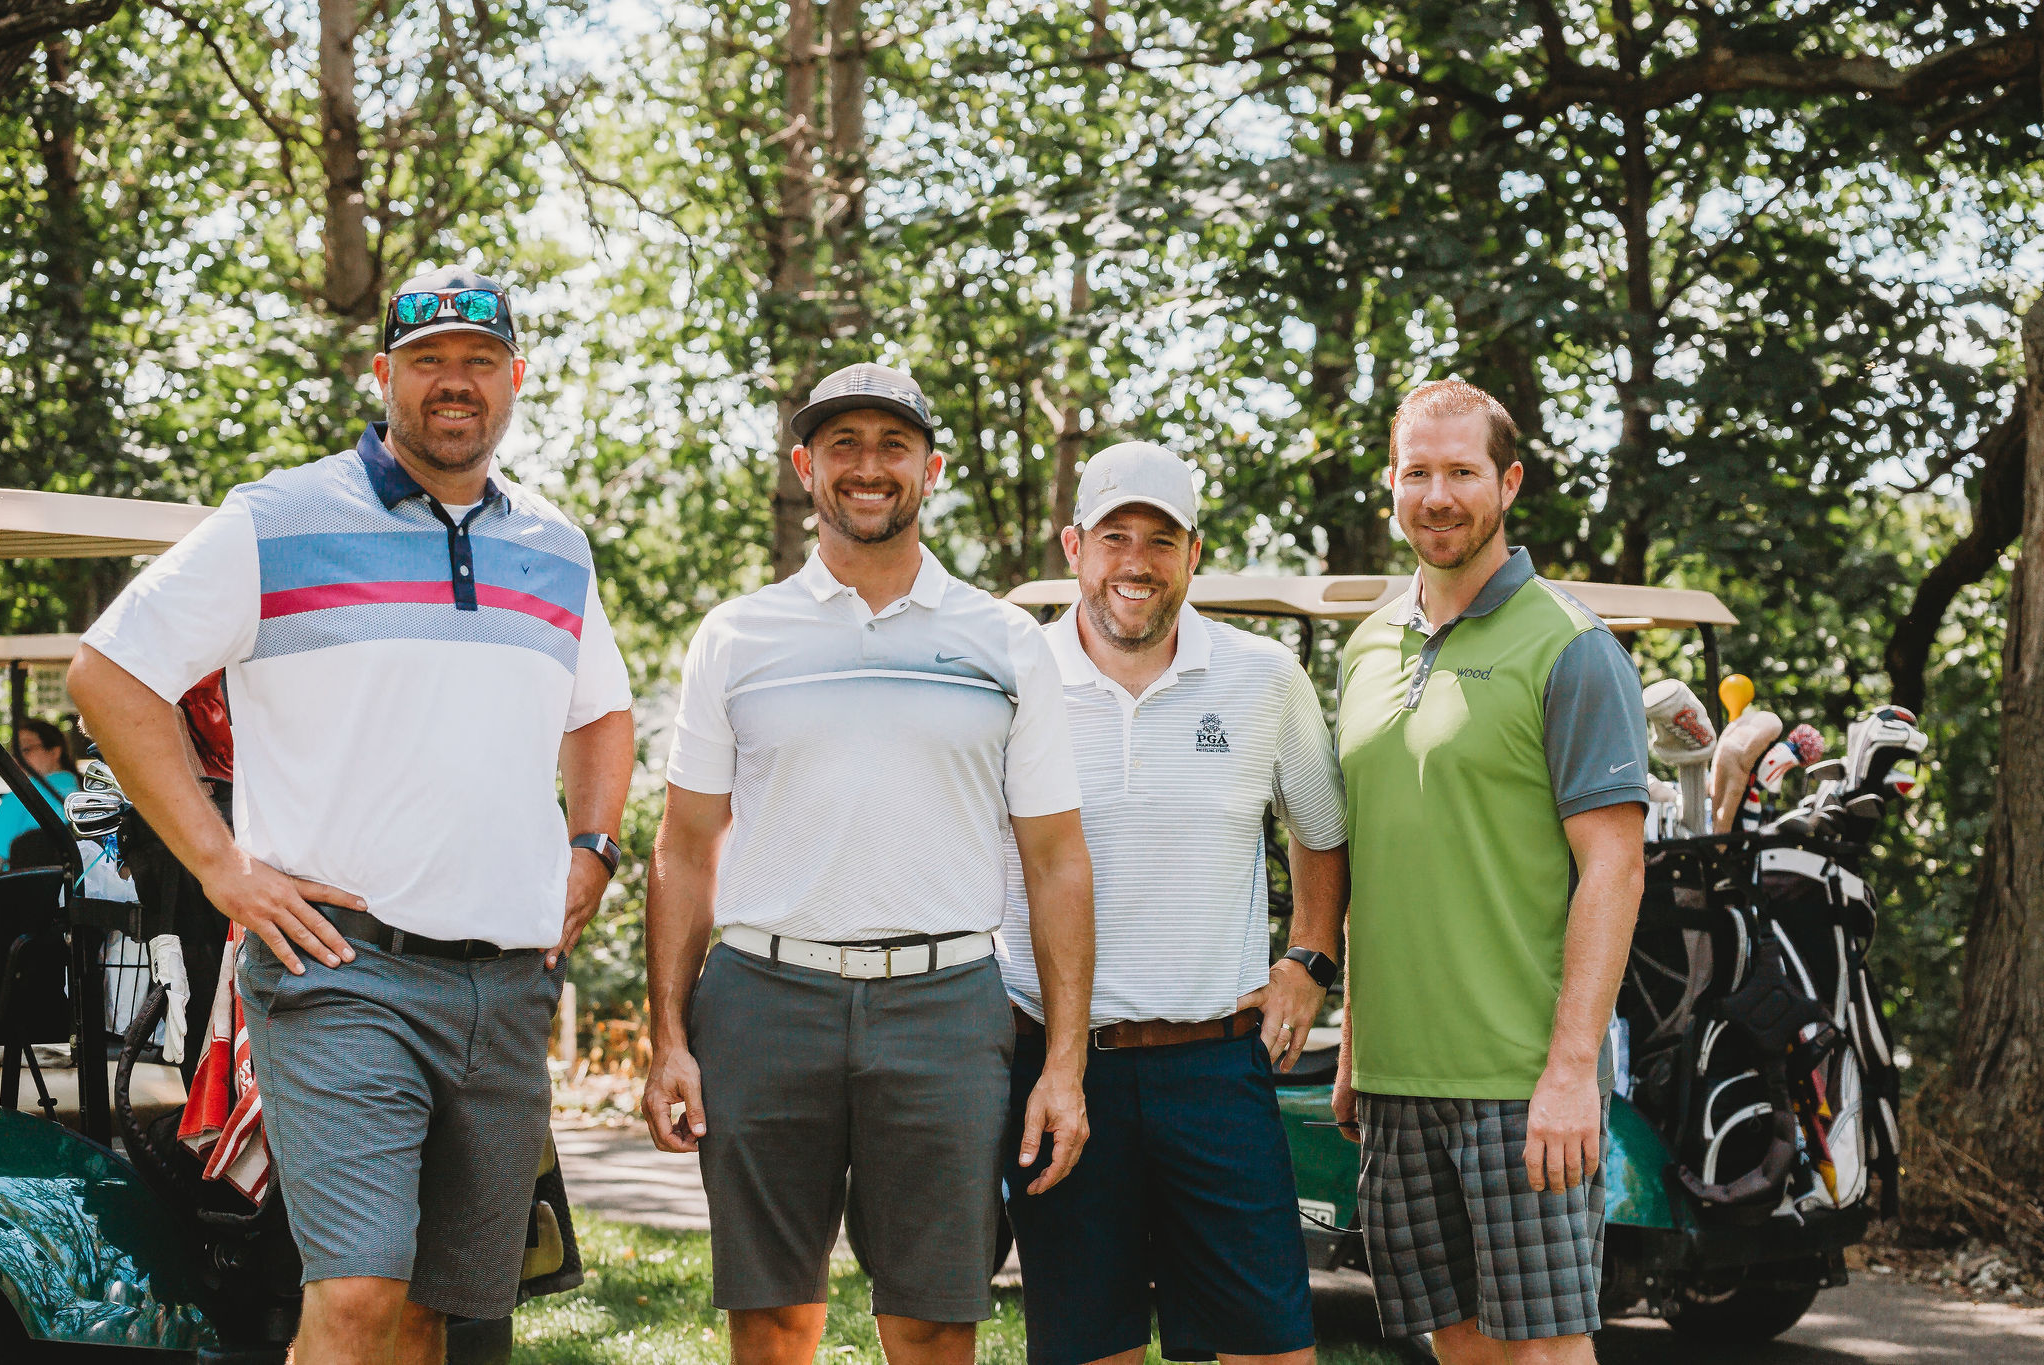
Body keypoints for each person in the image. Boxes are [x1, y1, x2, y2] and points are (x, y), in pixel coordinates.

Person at [69, 265, 636, 1365]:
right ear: (384, 375)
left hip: (508, 984)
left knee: (437, 1309)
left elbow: (602, 710)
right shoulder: (275, 518)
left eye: (479, 361)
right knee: (360, 1292)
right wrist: (221, 865)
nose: (454, 382)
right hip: (340, 970)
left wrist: (594, 850)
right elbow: (109, 673)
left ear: (515, 379)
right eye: (429, 361)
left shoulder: (556, 546)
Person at [640, 361, 1096, 1365]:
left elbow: (1057, 860)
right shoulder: (737, 635)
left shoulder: (1004, 642)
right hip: (762, 999)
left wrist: (1064, 1063)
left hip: (945, 1006)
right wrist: (667, 1035)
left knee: (932, 1318)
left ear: (931, 469)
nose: (868, 466)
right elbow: (683, 845)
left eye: (893, 445)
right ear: (805, 466)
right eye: (841, 444)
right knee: (772, 1317)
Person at [998, 441, 1350, 1365]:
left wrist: (1309, 957)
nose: (1137, 561)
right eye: (1114, 536)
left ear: (1194, 553)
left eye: (1162, 539)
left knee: (1273, 1351)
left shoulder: (1264, 676)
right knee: (1089, 1351)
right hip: (1058, 1068)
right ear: (1074, 546)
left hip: (1216, 1068)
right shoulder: (1011, 675)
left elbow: (1321, 828)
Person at [1332, 379, 1648, 1365]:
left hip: (1522, 1080)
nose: (1437, 496)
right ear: (1391, 483)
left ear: (1507, 484)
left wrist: (1570, 1072)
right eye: (1417, 472)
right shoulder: (1365, 648)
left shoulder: (1570, 646)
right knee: (1457, 1346)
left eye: (1462, 472)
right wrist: (1354, 1047)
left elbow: (1614, 868)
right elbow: (1374, 861)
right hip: (1395, 1078)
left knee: (1544, 1352)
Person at [0, 717, 80, 866]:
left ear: (55, 752)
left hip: (26, 880)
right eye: (14, 752)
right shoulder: (86, 791)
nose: (17, 758)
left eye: (26, 749)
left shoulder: (18, 798)